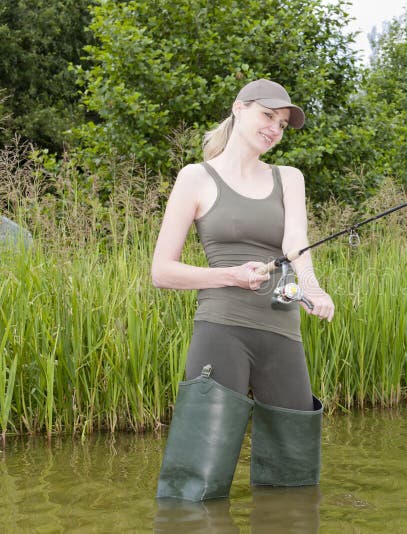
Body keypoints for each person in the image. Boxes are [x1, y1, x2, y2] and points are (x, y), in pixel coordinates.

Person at [151, 79, 334, 501]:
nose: (275, 129)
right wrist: (231, 276)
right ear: (239, 108)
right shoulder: (195, 177)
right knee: (195, 483)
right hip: (221, 328)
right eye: (268, 116)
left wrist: (312, 288)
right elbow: (162, 271)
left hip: (281, 331)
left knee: (294, 479)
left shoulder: (289, 177)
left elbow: (296, 244)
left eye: (283, 124)